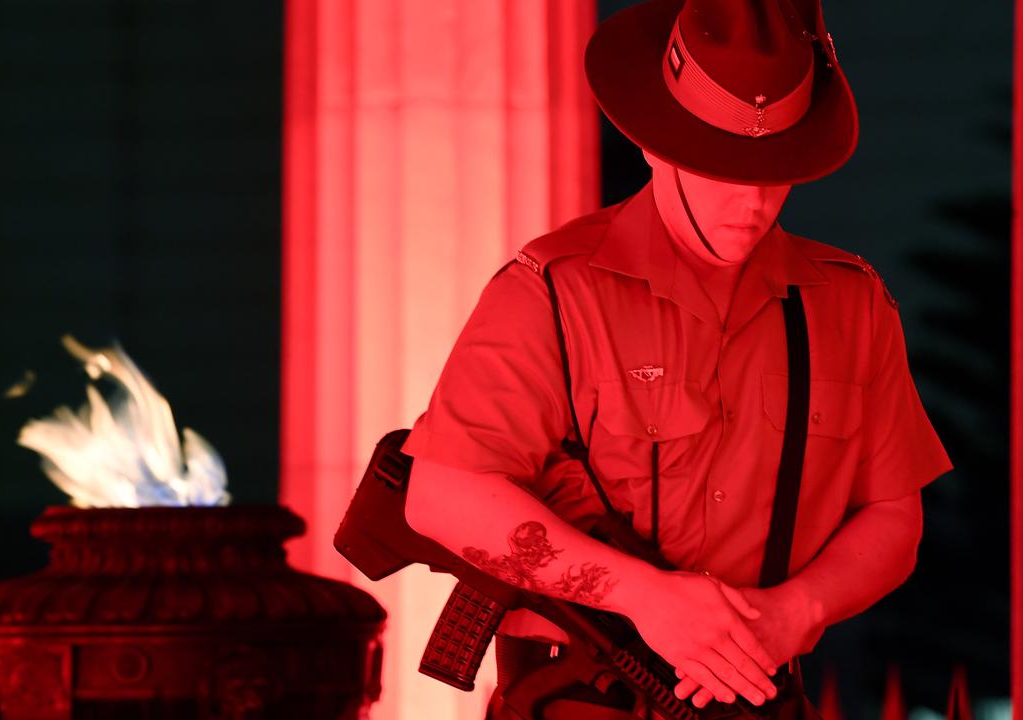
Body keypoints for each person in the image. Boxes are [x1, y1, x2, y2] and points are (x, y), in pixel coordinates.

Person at [400, 0, 954, 717]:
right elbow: (441, 494)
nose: (752, 202)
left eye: (776, 169)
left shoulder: (849, 304)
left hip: (753, 695)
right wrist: (645, 597)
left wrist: (796, 613)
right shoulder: (554, 291)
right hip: (572, 697)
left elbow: (893, 516)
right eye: (722, 168)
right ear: (655, 146)